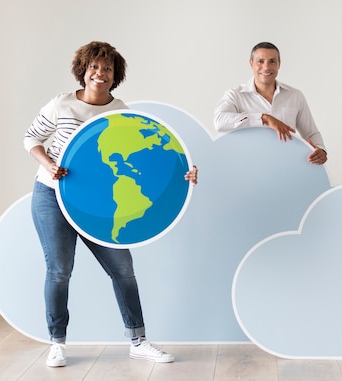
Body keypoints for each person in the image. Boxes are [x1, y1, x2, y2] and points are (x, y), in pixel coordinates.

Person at [23, 41, 198, 367]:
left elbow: (143, 163)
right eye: (94, 67)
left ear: (115, 75)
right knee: (60, 270)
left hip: (98, 206)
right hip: (51, 195)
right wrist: (48, 164)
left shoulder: (120, 112)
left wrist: (181, 174)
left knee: (123, 269)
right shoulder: (61, 104)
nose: (100, 73)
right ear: (84, 70)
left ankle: (139, 340)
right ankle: (57, 343)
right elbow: (31, 138)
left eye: (107, 69)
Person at [214, 42, 328, 165]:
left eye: (272, 61)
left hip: (287, 166)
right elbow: (220, 121)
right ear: (251, 63)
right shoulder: (235, 95)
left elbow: (311, 133)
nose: (266, 67)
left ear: (279, 64)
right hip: (246, 166)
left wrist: (321, 149)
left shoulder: (295, 95)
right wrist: (263, 118)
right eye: (260, 61)